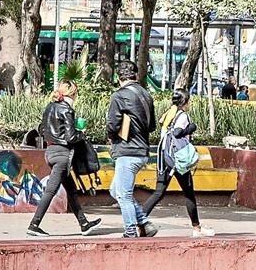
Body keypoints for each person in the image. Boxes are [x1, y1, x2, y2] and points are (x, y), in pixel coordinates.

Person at [26, 82, 101, 237]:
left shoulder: (49, 107)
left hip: (50, 152)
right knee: (50, 190)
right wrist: (82, 133)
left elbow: (41, 129)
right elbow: (70, 136)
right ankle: (34, 224)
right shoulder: (67, 109)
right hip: (62, 155)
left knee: (71, 190)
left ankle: (84, 224)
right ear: (72, 94)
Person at [142, 90, 214, 237]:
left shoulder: (169, 113)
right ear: (185, 102)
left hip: (164, 158)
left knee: (159, 192)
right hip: (178, 160)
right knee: (188, 193)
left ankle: (137, 221)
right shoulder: (182, 115)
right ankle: (197, 228)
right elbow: (177, 133)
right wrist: (191, 128)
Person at [107, 60, 157, 238]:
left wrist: (112, 138)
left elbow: (112, 125)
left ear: (118, 77)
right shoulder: (146, 94)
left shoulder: (119, 96)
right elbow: (152, 126)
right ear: (135, 75)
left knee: (123, 195)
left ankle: (130, 231)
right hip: (142, 150)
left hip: (127, 151)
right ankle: (144, 222)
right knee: (115, 190)